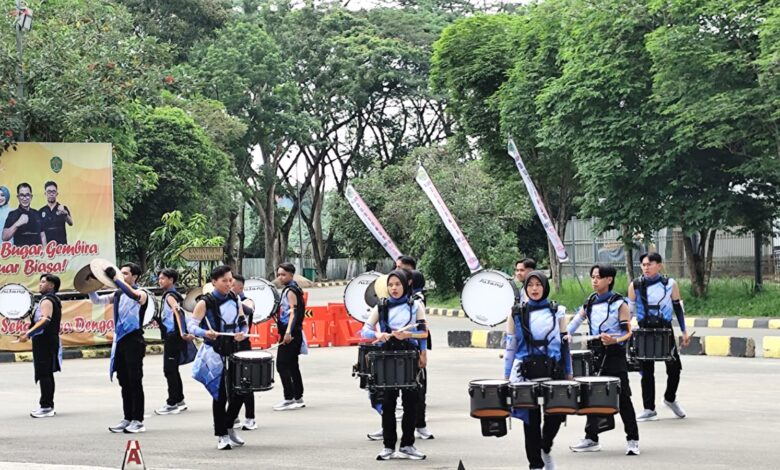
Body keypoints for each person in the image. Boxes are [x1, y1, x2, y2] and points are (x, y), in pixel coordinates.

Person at [566, 264, 640, 455]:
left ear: (609, 279)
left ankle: (632, 440)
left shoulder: (619, 303)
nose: (594, 280)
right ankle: (591, 438)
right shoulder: (590, 301)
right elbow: (574, 323)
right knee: (591, 395)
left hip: (614, 355)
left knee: (623, 398)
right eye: (592, 277)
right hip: (595, 355)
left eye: (598, 277)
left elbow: (628, 333)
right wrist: (563, 336)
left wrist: (613, 340)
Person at [504, 271, 571, 470]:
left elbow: (564, 345)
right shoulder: (516, 313)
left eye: (538, 284)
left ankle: (545, 446)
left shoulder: (557, 310)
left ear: (545, 287)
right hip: (525, 374)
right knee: (530, 421)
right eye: (530, 285)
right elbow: (510, 347)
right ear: (525, 289)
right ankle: (535, 464)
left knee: (557, 415)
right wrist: (506, 377)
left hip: (554, 371)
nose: (534, 288)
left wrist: (568, 373)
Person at [361, 269, 428, 461]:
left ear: (406, 284)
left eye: (397, 284)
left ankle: (408, 445)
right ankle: (388, 446)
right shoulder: (381, 306)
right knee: (388, 403)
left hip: (409, 356)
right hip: (386, 356)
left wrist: (412, 340)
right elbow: (364, 330)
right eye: (390, 285)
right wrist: (377, 334)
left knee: (410, 404)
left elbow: (424, 332)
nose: (394, 288)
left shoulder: (415, 305)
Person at [187, 265, 248, 450]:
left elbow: (243, 324)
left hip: (234, 349)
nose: (229, 284)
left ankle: (229, 426)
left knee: (241, 392)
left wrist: (242, 334)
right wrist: (206, 332)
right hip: (214, 352)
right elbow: (191, 327)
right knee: (220, 395)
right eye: (225, 281)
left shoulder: (235, 298)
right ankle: (221, 434)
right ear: (214, 282)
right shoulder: (205, 302)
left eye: (231, 280)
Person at [89, 263, 149, 434]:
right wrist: (91, 286)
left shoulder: (141, 293)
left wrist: (116, 279)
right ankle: (127, 417)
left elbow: (133, 294)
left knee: (135, 380)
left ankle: (138, 420)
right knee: (124, 381)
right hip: (120, 341)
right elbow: (96, 300)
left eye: (126, 274)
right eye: (120, 273)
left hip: (134, 340)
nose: (122, 276)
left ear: (135, 276)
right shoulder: (117, 293)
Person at [628, 252, 689, 421]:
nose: (646, 268)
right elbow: (629, 311)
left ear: (659, 265)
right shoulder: (635, 285)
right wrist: (625, 330)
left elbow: (678, 308)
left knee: (675, 368)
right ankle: (649, 408)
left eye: (650, 264)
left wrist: (684, 331)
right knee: (646, 371)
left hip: (665, 330)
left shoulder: (670, 284)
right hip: (644, 330)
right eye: (643, 265)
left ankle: (670, 398)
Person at [18, 274, 62, 418]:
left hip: (45, 341)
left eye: (44, 282)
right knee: (46, 373)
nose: (40, 284)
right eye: (40, 282)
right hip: (46, 340)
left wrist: (28, 334)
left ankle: (46, 406)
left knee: (44, 373)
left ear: (52, 286)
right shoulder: (48, 299)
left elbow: (45, 320)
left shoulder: (48, 300)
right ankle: (47, 404)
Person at [154, 268, 196, 416]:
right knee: (173, 370)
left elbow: (177, 311)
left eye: (163, 278)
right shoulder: (171, 294)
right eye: (159, 278)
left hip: (173, 336)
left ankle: (172, 402)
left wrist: (182, 332)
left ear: (171, 280)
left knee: (169, 370)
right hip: (173, 336)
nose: (160, 281)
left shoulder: (170, 295)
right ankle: (179, 400)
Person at [273, 262, 306, 411]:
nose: (280, 277)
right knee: (293, 365)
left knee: (282, 364)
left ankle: (290, 397)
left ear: (291, 275)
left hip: (290, 334)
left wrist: (288, 333)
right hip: (293, 332)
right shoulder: (293, 288)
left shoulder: (291, 290)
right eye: (279, 274)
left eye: (283, 274)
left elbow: (294, 312)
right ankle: (298, 397)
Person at [231, 274, 258, 430]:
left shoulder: (247, 301)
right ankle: (233, 416)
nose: (229, 286)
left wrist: (235, 301)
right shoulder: (227, 302)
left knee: (246, 383)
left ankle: (250, 417)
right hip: (230, 345)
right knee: (231, 383)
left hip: (243, 346)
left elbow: (248, 310)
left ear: (240, 287)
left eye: (232, 283)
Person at [39, 181, 73, 245]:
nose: (51, 194)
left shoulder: (63, 208)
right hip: (47, 248)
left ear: (57, 193)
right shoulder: (41, 211)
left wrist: (65, 213)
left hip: (62, 247)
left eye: (53, 191)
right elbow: (40, 232)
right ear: (45, 193)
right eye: (49, 192)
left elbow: (71, 223)